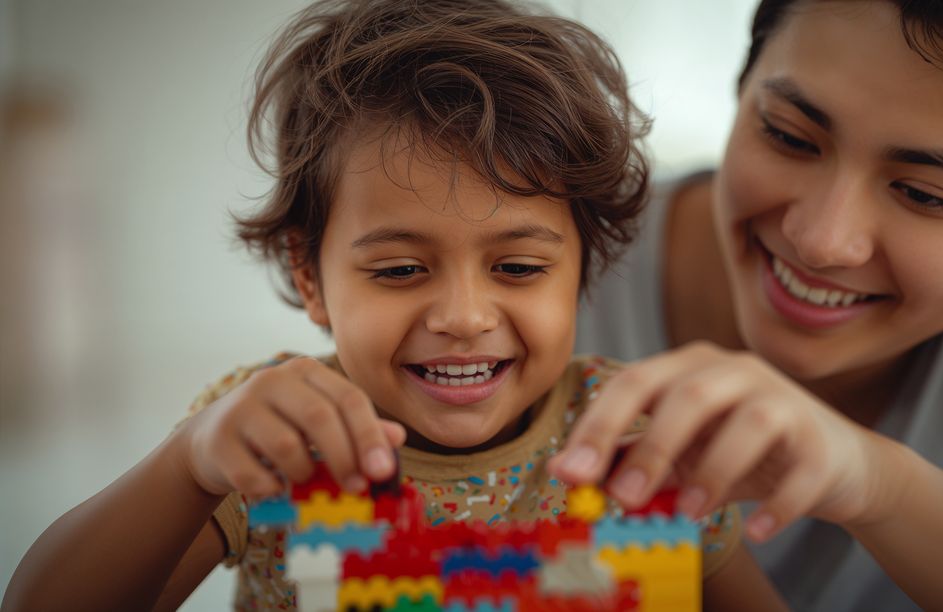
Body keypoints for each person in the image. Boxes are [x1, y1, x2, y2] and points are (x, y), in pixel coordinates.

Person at [2, 1, 789, 610]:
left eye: (517, 267)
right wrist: (188, 466)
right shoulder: (277, 439)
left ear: (581, 271)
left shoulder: (638, 440)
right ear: (308, 276)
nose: (463, 314)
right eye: (402, 269)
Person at [551, 0, 943, 610]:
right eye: (788, 136)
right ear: (741, 84)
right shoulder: (518, 255)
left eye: (921, 194)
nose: (821, 241)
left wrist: (877, 486)